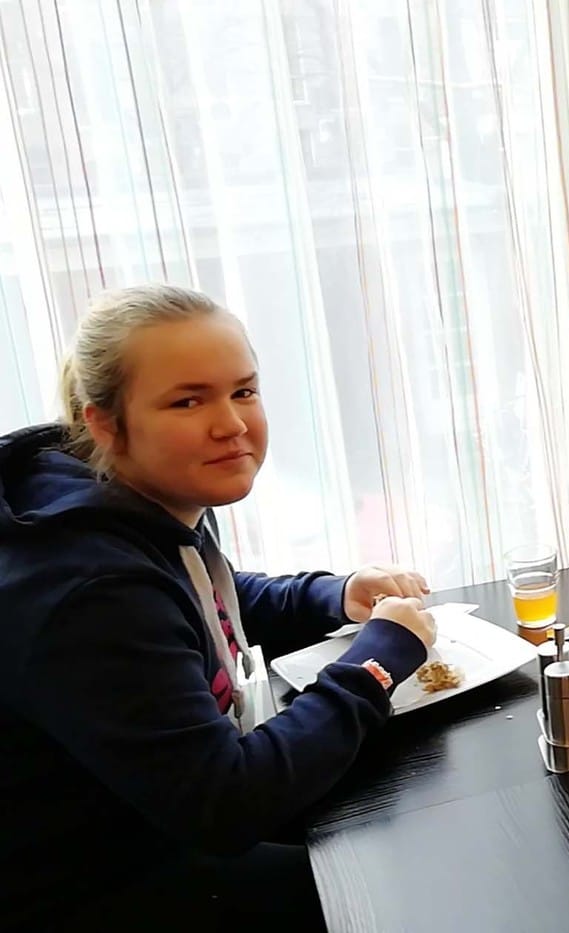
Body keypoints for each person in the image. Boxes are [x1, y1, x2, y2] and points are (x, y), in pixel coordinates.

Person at [0, 284, 439, 929]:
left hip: (149, 825)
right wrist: (376, 664)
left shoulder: (128, 496)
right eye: (188, 400)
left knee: (397, 819)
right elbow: (229, 803)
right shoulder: (87, 585)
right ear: (104, 421)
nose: (231, 424)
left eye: (244, 391)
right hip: (88, 881)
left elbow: (199, 598)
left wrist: (333, 594)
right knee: (398, 890)